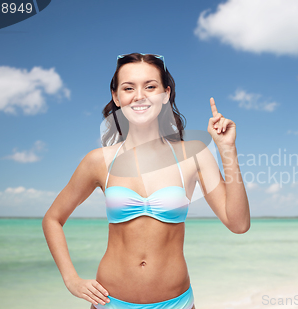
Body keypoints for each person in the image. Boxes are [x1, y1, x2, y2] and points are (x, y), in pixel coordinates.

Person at [42, 53, 251, 309]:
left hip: (177, 304)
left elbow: (238, 224)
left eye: (150, 86)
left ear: (166, 94)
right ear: (117, 97)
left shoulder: (193, 154)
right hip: (110, 303)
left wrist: (228, 150)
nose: (139, 95)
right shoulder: (99, 161)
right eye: (128, 88)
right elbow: (53, 219)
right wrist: (71, 279)